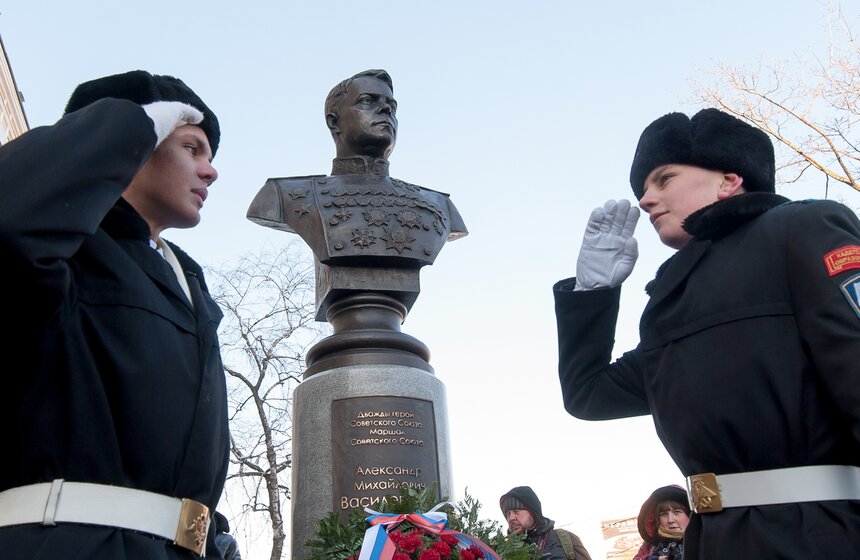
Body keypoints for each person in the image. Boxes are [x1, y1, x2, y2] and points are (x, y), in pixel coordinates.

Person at [554, 108, 860, 558]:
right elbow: (588, 395)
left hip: (819, 530)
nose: (645, 199)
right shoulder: (669, 300)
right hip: (713, 539)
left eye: (664, 178)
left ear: (729, 178)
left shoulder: (801, 228)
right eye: (642, 189)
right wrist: (592, 295)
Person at [0, 70, 230, 558]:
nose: (210, 172)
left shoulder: (186, 278)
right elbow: (10, 222)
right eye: (192, 148)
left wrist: (213, 534)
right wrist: (133, 120)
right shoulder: (67, 247)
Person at [246, 68, 467, 270]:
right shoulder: (282, 196)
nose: (386, 108)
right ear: (334, 122)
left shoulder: (439, 206)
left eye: (392, 105)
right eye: (367, 101)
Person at [499, 486, 592, 560]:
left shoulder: (565, 540)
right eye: (508, 514)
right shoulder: (500, 552)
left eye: (517, 511)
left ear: (532, 512)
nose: (511, 518)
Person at [632, 485, 689, 560]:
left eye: (676, 512)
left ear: (689, 514)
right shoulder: (650, 543)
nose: (670, 520)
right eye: (664, 514)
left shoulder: (702, 539)